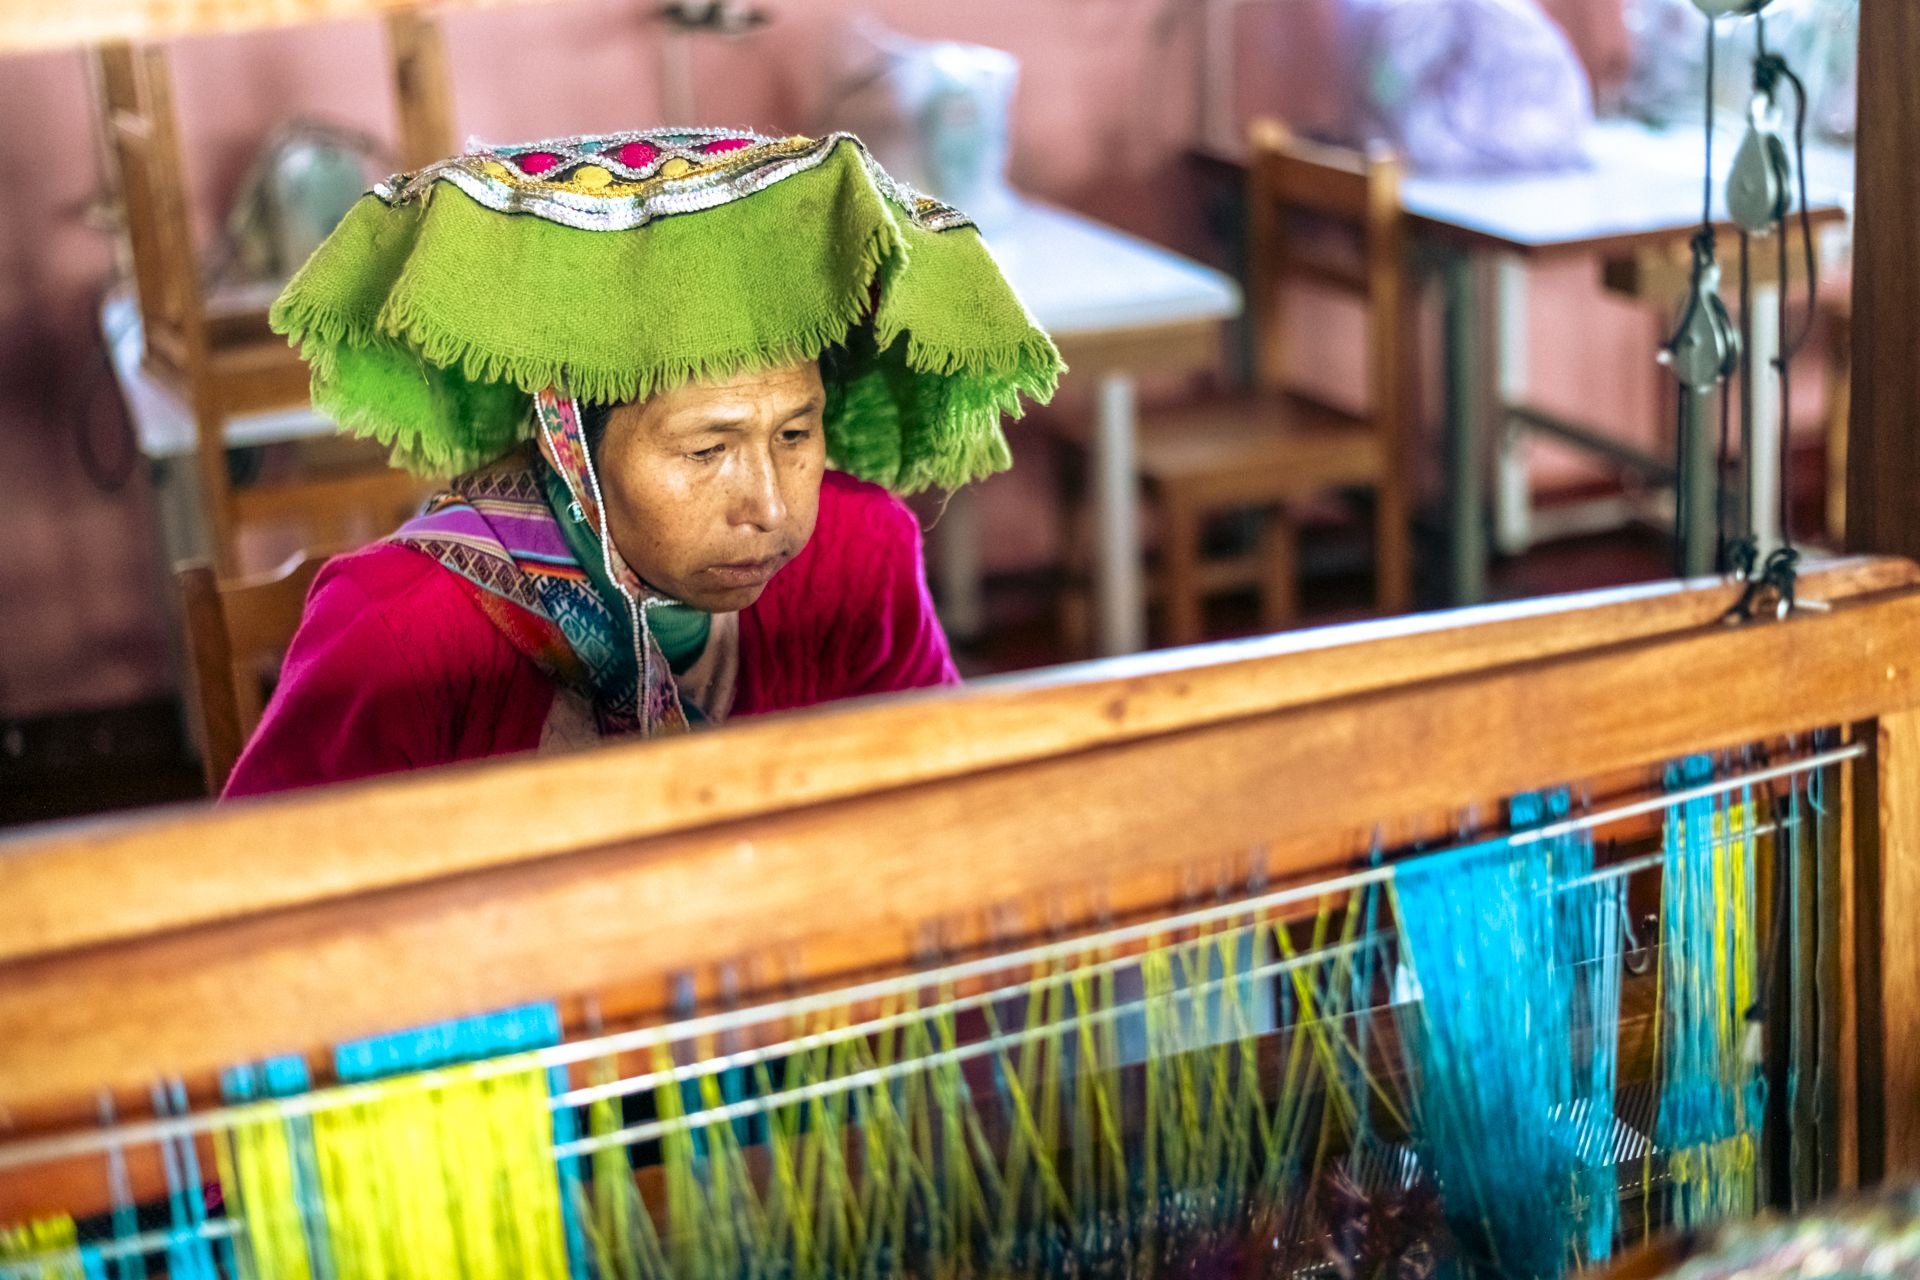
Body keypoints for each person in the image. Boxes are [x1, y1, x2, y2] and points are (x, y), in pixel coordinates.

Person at [224, 127, 1059, 797]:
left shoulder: (857, 554)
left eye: (796, 435)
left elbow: (941, 816)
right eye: (707, 449)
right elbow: (266, 931)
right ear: (571, 446)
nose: (769, 509)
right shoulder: (399, 630)